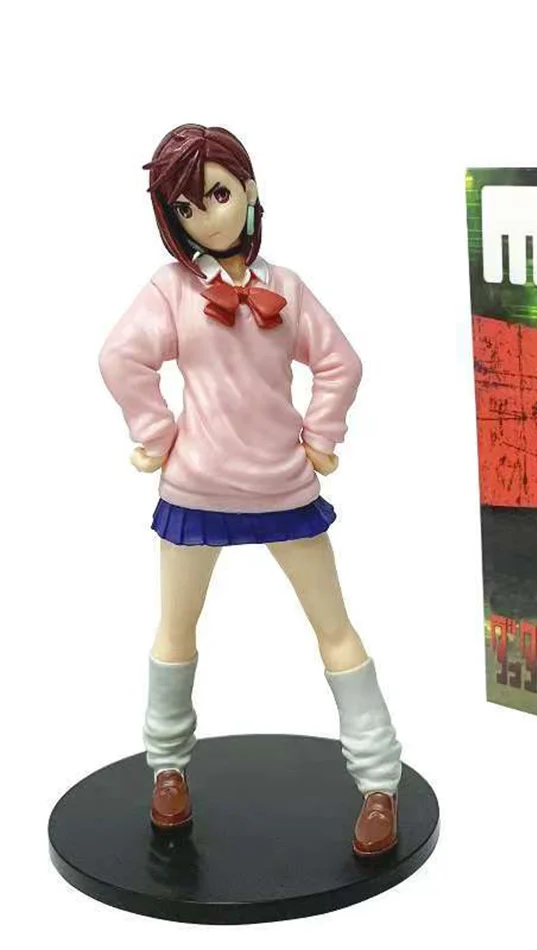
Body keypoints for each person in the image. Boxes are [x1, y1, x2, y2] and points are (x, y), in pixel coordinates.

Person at [99, 124, 401, 857]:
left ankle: (379, 781)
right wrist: (156, 432)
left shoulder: (285, 287)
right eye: (186, 207)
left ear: (250, 189)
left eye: (217, 195)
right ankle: (167, 770)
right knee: (176, 630)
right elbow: (119, 357)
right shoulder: (171, 291)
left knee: (334, 627)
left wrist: (322, 435)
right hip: (196, 489)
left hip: (283, 486)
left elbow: (341, 362)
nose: (206, 216)